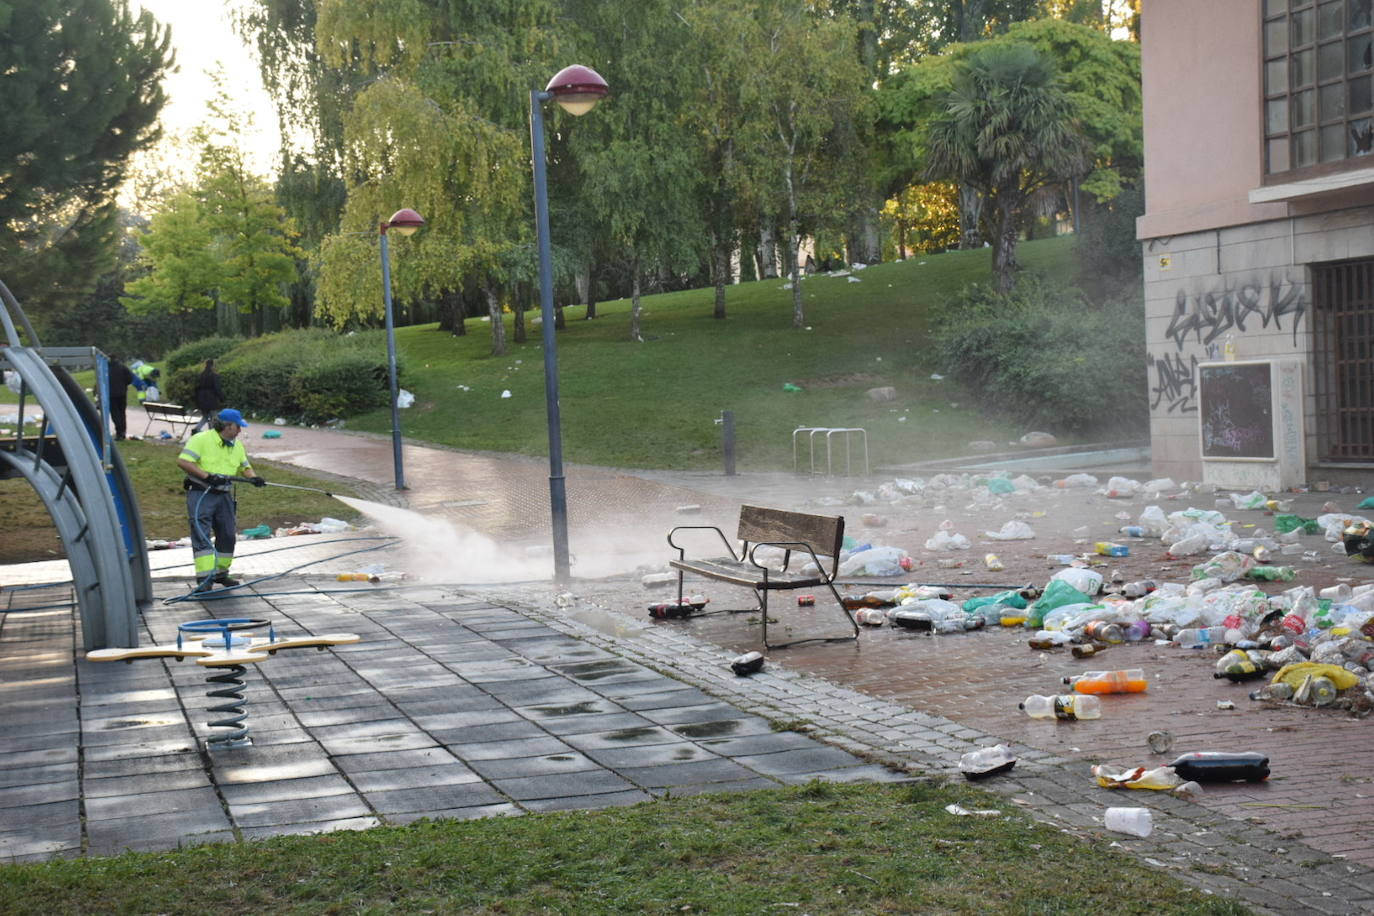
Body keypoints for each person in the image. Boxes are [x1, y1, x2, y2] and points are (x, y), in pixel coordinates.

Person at [175, 408, 266, 593]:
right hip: (202, 493)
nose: (240, 430)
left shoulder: (236, 445)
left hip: (224, 496)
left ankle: (220, 574)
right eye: (237, 426)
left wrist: (254, 478)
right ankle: (205, 580)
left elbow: (244, 466)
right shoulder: (201, 440)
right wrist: (207, 476)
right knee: (202, 534)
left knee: (227, 534)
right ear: (226, 426)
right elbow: (184, 462)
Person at [191, 359, 225, 433]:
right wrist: (222, 398)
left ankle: (197, 428)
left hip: (201, 399)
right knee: (214, 417)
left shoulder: (200, 375)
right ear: (212, 365)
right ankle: (212, 433)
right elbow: (217, 388)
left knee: (205, 417)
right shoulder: (214, 376)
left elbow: (196, 388)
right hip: (211, 400)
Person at [106, 358, 133, 440]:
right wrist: (124, 385)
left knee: (115, 414)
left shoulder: (106, 368)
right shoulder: (122, 367)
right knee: (122, 413)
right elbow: (130, 378)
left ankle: (119, 432)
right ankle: (123, 431)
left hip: (111, 394)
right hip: (122, 393)